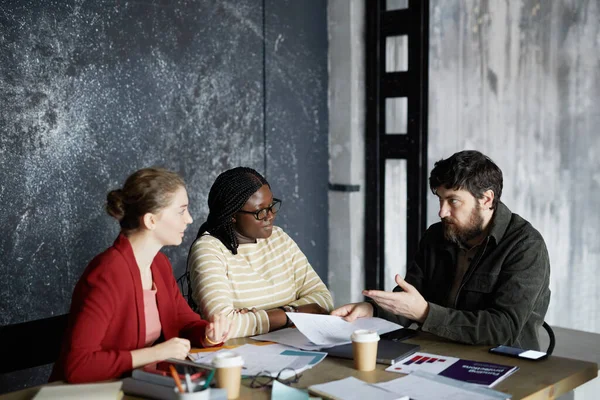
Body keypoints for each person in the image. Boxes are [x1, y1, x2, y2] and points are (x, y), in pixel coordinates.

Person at [332, 150, 551, 350]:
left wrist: (425, 313)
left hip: (501, 362)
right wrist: (372, 310)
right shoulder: (436, 236)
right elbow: (411, 298)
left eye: (453, 201)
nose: (442, 212)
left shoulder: (526, 246)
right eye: (440, 199)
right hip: (436, 351)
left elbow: (504, 329)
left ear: (486, 199)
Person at [51, 168, 230, 383]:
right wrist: (157, 353)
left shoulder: (159, 265)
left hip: (137, 386)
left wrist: (208, 334)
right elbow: (78, 366)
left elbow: (184, 323)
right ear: (151, 221)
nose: (190, 219)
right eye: (181, 211)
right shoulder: (106, 274)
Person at [188, 167, 334, 338]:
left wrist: (254, 318)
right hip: (237, 356)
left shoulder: (280, 239)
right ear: (232, 214)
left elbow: (323, 301)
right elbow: (222, 325)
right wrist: (290, 314)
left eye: (271, 206)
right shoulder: (209, 249)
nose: (270, 215)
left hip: (293, 347)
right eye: (260, 211)